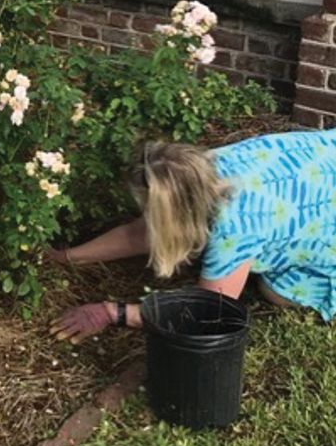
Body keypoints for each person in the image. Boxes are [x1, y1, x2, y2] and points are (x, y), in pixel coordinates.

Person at [47, 131, 336, 343]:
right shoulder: (205, 164)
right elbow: (140, 232)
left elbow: (205, 313)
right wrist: (67, 257)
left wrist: (111, 313)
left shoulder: (236, 227)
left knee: (275, 290)